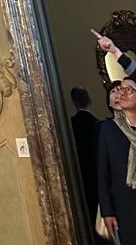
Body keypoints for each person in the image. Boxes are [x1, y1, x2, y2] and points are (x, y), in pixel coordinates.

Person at [100, 77, 136, 241]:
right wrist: (107, 211)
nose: (122, 92)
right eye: (120, 88)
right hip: (126, 206)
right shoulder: (108, 129)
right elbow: (103, 173)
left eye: (129, 89)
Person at [70, 85, 99, 225]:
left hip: (79, 176)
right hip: (98, 176)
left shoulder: (70, 125)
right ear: (89, 100)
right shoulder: (98, 125)